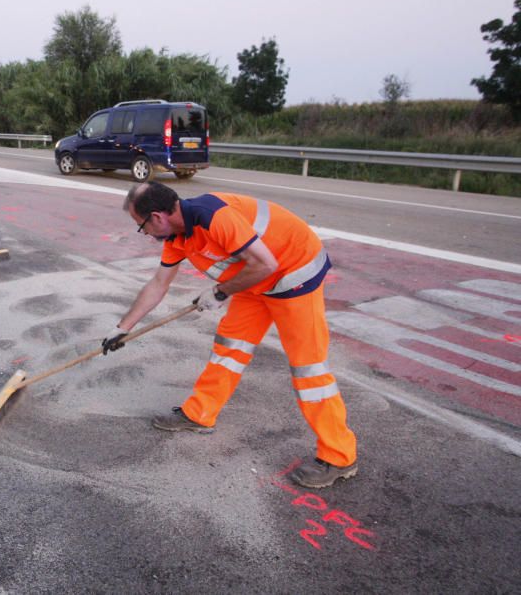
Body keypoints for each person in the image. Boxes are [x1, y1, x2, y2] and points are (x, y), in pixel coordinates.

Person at [102, 181, 358, 489]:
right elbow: (158, 285)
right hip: (253, 281)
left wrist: (220, 291)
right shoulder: (178, 237)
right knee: (228, 348)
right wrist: (122, 328)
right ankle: (199, 414)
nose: (144, 234)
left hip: (294, 277)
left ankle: (339, 457)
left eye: (141, 226)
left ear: (157, 217)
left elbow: (267, 263)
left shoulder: (214, 217)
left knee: (309, 369)